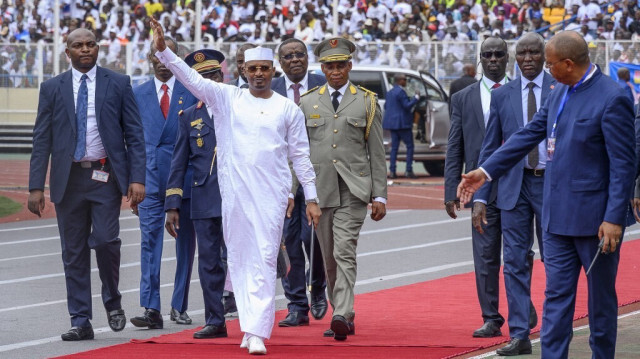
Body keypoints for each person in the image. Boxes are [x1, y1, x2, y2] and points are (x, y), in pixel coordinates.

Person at [458, 31, 636, 358]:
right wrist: (485, 172)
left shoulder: (613, 97)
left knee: (600, 301)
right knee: (556, 297)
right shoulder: (558, 92)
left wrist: (613, 218)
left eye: (551, 64)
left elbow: (623, 164)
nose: (546, 70)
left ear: (569, 64)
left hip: (595, 222)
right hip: (556, 219)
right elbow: (527, 135)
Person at [149, 18, 321, 355]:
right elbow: (192, 78)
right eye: (253, 68)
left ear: (273, 72)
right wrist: (165, 53)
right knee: (242, 261)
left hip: (272, 198)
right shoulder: (227, 98)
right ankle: (250, 325)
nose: (258, 73)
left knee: (265, 257)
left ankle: (256, 331)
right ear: (244, 71)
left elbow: (301, 157)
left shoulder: (288, 108)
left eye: (264, 69)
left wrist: (310, 197)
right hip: (235, 197)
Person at [27, 28, 145, 341]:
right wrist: (35, 187)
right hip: (68, 180)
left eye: (90, 44)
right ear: (68, 52)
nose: (85, 50)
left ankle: (112, 297)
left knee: (106, 242)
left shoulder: (118, 83)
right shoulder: (52, 88)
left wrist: (136, 179)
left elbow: (133, 134)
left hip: (104, 177)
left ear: (97, 48)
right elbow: (42, 139)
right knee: (74, 253)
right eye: (78, 45)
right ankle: (80, 319)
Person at [298, 37, 387, 341]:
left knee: (344, 250)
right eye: (329, 66)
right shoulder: (307, 101)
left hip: (354, 189)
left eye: (340, 65)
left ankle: (340, 313)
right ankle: (343, 313)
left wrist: (379, 195)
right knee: (329, 259)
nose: (335, 71)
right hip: (321, 190)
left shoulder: (366, 101)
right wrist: (294, 193)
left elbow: (376, 152)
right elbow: (299, 152)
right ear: (322, 68)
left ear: (349, 65)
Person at [475, 32, 555, 356]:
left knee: (555, 259)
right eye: (521, 53)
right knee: (514, 261)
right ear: (514, 57)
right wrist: (481, 196)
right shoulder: (502, 95)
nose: (527, 59)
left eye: (534, 52)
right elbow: (490, 147)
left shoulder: (558, 88)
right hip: (513, 186)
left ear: (544, 55)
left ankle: (553, 328)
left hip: (551, 185)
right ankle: (520, 334)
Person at [130, 36, 198, 330]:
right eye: (156, 56)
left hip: (185, 182)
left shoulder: (193, 91)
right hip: (149, 184)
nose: (161, 61)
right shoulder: (137, 93)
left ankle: (179, 305)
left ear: (176, 59)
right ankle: (151, 307)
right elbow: (130, 141)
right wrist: (132, 183)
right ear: (149, 59)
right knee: (149, 244)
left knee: (185, 245)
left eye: (166, 55)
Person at [443, 36, 507, 339]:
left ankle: (522, 306)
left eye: (498, 54)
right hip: (480, 190)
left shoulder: (522, 92)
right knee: (484, 256)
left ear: (508, 58)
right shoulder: (463, 98)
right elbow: (455, 145)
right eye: (487, 55)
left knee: (520, 255)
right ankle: (491, 317)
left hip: (519, 186)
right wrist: (449, 191)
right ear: (480, 59)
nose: (493, 59)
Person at [164, 49, 228, 339]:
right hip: (203, 199)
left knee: (245, 260)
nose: (210, 81)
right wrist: (173, 205)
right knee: (209, 262)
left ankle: (255, 319)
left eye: (213, 75)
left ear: (222, 77)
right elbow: (178, 163)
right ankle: (216, 320)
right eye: (202, 78)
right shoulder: (189, 116)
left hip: (237, 196)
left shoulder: (239, 108)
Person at [271, 37, 329, 328]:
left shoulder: (324, 83)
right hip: (280, 177)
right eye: (288, 56)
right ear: (280, 63)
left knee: (313, 237)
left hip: (315, 173)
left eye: (299, 54)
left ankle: (317, 286)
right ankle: (296, 305)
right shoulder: (269, 88)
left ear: (308, 58)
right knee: (289, 240)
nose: (294, 59)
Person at [383, 73, 419, 179]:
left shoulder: (390, 92)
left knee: (394, 148)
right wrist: (416, 98)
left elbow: (386, 106)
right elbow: (407, 106)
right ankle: (408, 170)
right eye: (405, 79)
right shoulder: (401, 92)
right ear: (400, 80)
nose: (406, 81)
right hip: (402, 124)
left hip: (392, 124)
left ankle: (392, 171)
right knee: (410, 147)